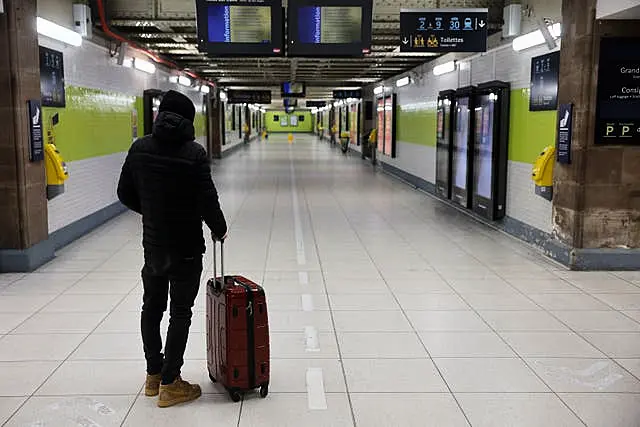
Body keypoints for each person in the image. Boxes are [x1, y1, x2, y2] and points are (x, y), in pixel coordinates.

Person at [117, 90, 227, 408]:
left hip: (153, 246)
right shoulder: (194, 153)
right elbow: (208, 200)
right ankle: (170, 382)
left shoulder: (139, 148)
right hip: (187, 248)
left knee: (151, 308)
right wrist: (219, 228)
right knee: (180, 312)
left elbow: (124, 193)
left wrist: (152, 213)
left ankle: (153, 375)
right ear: (188, 121)